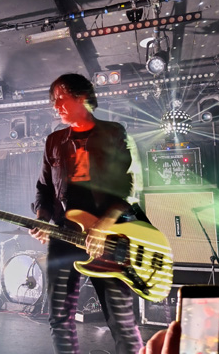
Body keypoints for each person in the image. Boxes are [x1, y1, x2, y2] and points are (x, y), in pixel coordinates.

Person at [29, 73, 144, 354]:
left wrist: (103, 225)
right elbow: (44, 188)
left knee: (120, 321)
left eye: (61, 98)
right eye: (53, 100)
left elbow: (130, 187)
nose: (55, 106)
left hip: (110, 237)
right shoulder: (54, 141)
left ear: (81, 97)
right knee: (59, 318)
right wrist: (42, 218)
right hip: (64, 236)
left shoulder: (114, 133)